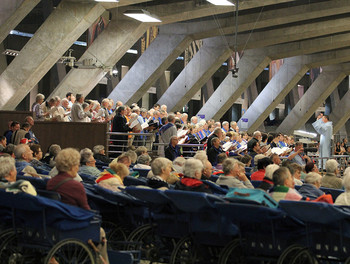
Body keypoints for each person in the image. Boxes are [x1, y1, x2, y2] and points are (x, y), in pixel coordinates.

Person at [47, 148, 109, 263]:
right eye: (77, 164)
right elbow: (86, 210)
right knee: (100, 231)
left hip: (53, 223)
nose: (78, 167)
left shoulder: (51, 182)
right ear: (71, 166)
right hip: (70, 226)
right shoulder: (75, 185)